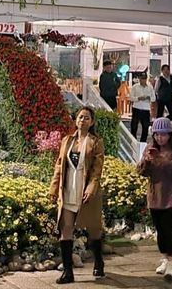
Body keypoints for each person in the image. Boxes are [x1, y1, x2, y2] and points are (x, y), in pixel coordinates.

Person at [49, 107, 105, 284]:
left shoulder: (96, 142)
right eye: (80, 117)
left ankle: (99, 261)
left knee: (94, 231)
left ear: (92, 122)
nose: (83, 120)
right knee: (65, 230)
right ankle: (68, 271)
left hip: (86, 192)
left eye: (87, 118)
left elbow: (97, 170)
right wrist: (53, 188)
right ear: (75, 120)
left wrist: (91, 187)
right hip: (67, 191)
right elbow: (59, 166)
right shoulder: (67, 141)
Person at [137, 117, 172, 280]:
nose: (160, 138)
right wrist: (146, 162)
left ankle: (171, 264)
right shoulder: (150, 148)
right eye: (157, 134)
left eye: (164, 134)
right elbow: (141, 172)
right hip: (155, 197)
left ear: (170, 134)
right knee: (160, 232)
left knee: (171, 230)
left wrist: (164, 161)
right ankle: (165, 258)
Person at [129, 72, 155, 142]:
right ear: (139, 79)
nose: (142, 80)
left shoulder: (150, 87)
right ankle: (133, 141)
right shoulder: (135, 87)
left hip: (146, 109)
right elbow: (131, 97)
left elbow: (154, 98)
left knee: (145, 127)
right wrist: (138, 98)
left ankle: (142, 142)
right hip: (136, 108)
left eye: (144, 79)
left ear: (146, 79)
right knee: (134, 126)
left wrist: (149, 98)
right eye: (141, 79)